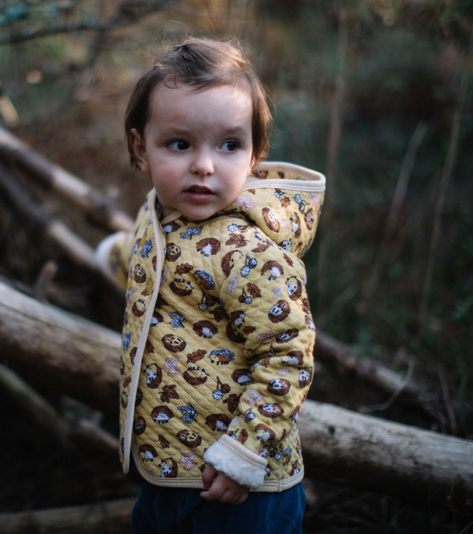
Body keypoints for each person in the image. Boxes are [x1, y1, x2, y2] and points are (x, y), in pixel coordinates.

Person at [95, 37, 326, 533]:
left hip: (239, 486)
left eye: (228, 145)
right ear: (141, 149)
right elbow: (151, 261)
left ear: (254, 154)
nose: (204, 165)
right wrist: (114, 256)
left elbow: (289, 350)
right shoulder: (157, 214)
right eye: (180, 144)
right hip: (166, 467)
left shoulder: (249, 251)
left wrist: (244, 451)